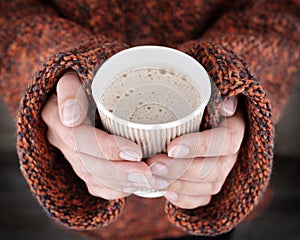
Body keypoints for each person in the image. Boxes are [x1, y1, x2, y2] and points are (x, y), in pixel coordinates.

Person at [0, 0, 299, 239]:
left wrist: (238, 80)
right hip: (93, 204)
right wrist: (51, 75)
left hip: (217, 188)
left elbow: (282, 9)